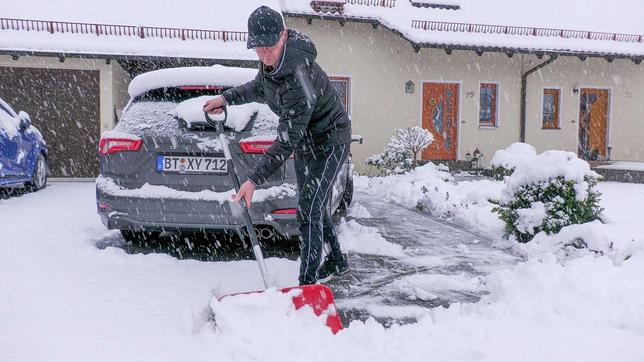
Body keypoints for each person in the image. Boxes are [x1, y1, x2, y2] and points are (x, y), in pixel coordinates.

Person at [203, 6, 352, 286]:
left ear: (283, 35)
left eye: (269, 46)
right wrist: (226, 99)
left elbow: (286, 142)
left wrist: (252, 181)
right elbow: (258, 87)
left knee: (308, 209)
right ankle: (337, 260)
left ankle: (307, 284)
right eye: (257, 47)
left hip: (331, 141)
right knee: (314, 204)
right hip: (308, 141)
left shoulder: (298, 76)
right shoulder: (272, 66)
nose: (264, 54)